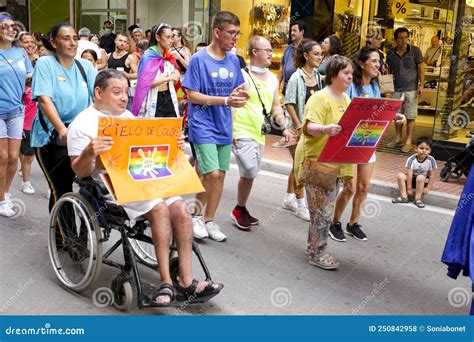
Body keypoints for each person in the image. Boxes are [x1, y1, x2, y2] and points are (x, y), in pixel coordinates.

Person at [68, 69, 223, 304]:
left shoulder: (129, 118)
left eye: (126, 93)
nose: (123, 97)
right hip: (111, 188)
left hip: (144, 180)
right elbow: (79, 172)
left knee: (181, 208)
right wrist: (89, 151)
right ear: (98, 92)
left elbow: (150, 154)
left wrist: (173, 144)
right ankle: (165, 282)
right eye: (117, 92)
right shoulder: (82, 124)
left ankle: (187, 280)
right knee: (159, 208)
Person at [183, 11, 248, 241]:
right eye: (231, 33)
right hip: (202, 124)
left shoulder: (233, 60)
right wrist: (225, 100)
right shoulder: (199, 59)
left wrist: (241, 97)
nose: (235, 38)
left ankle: (209, 220)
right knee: (210, 173)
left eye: (238, 34)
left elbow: (236, 91)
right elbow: (192, 95)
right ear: (217, 32)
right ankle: (195, 216)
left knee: (220, 175)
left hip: (223, 125)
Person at [294, 55, 354, 270]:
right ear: (333, 74)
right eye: (346, 73)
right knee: (321, 211)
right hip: (319, 161)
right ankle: (316, 252)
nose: (350, 77)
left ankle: (316, 247)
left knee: (324, 210)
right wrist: (325, 129)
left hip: (337, 162)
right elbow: (308, 127)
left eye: (351, 74)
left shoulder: (346, 100)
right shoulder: (320, 98)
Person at [30, 22, 96, 213]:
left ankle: (86, 237)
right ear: (53, 42)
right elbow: (44, 100)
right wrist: (61, 129)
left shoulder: (85, 66)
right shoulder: (45, 64)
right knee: (62, 189)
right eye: (66, 38)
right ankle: (63, 241)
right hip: (52, 139)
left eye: (75, 38)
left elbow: (100, 96)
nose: (73, 43)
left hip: (81, 136)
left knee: (89, 188)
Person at [231, 36, 290, 230]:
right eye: (267, 50)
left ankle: (240, 209)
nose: (271, 53)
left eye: (271, 50)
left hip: (259, 132)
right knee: (249, 170)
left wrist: (284, 128)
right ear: (254, 52)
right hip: (242, 130)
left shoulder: (273, 79)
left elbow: (275, 107)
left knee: (251, 174)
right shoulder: (242, 75)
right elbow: (233, 104)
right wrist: (231, 130)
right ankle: (235, 210)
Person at [282, 39, 323, 221]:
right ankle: (300, 205)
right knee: (301, 167)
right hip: (295, 129)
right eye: (316, 54)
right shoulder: (295, 77)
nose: (319, 57)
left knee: (297, 165)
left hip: (312, 129)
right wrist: (298, 125)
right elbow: (289, 103)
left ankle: (288, 198)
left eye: (321, 54)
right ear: (306, 56)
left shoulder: (319, 78)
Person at [0, 13, 33, 216]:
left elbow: (29, 79)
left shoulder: (21, 53)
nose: (10, 29)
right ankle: (2, 199)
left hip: (17, 111)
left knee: (13, 157)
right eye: (5, 26)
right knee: (2, 156)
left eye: (13, 26)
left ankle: (4, 191)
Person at [386, 27, 424, 153]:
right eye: (400, 38)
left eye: (405, 38)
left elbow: (420, 68)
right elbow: (389, 71)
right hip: (397, 89)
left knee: (410, 116)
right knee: (396, 115)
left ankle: (408, 141)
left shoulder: (415, 51)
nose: (403, 40)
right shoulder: (391, 53)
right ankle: (397, 138)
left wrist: (421, 85)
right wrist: (388, 88)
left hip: (411, 89)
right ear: (395, 39)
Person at [131, 24, 181, 118]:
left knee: (171, 127)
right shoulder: (148, 57)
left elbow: (176, 69)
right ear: (158, 37)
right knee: (155, 129)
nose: (171, 40)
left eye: (172, 37)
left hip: (168, 96)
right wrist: (168, 78)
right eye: (168, 37)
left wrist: (176, 73)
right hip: (153, 98)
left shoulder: (168, 55)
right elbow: (146, 83)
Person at [18, 31, 38, 195]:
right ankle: (26, 182)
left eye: (32, 42)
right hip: (24, 116)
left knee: (33, 154)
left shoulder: (41, 61)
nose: (30, 45)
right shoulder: (17, 65)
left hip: (41, 116)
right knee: (27, 154)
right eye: (25, 42)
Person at [392, 136, 436, 209]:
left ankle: (417, 199)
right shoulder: (411, 159)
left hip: (422, 181)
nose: (424, 150)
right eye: (421, 148)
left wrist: (428, 187)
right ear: (416, 149)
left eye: (427, 149)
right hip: (412, 179)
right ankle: (404, 197)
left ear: (430, 151)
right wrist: (409, 188)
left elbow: (432, 175)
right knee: (400, 175)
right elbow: (409, 174)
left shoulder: (431, 160)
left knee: (421, 177)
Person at [278, 20, 305, 95]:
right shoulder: (288, 48)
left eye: (294, 31)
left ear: (302, 32)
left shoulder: (307, 48)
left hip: (299, 92)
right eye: (291, 31)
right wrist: (277, 86)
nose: (292, 33)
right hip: (286, 90)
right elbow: (281, 68)